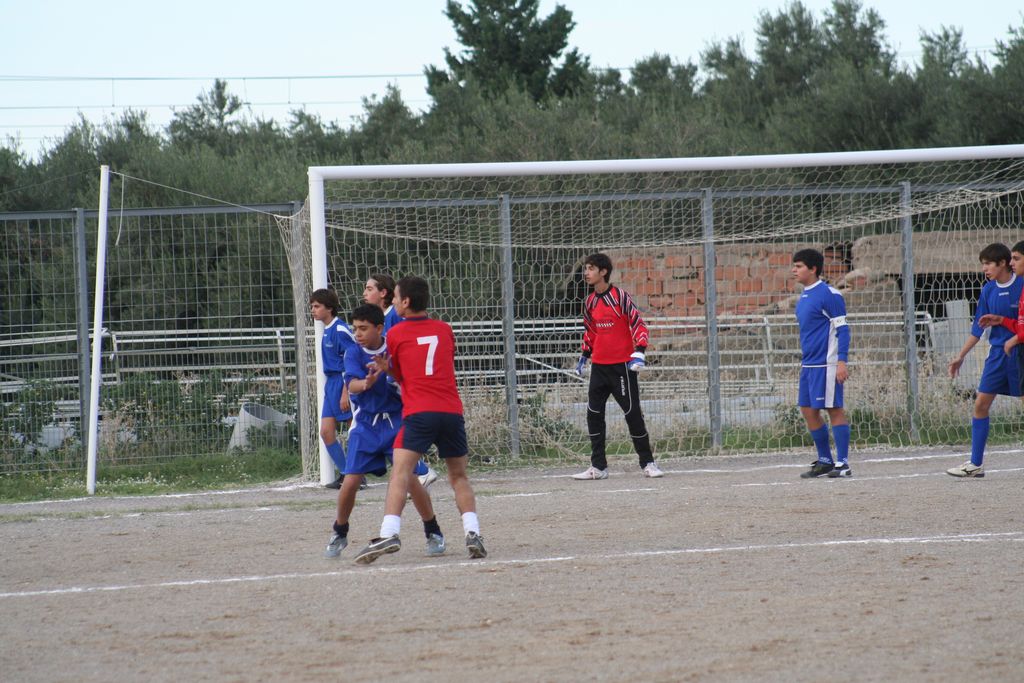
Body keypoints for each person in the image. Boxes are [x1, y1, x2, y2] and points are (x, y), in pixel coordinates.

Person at [353, 276, 487, 564]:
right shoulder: (444, 329)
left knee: (401, 472)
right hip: (450, 410)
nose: (393, 302)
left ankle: (389, 533)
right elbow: (430, 366)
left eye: (396, 297)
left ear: (406, 301)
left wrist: (386, 368)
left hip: (419, 412)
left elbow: (404, 375)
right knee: (458, 476)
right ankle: (473, 533)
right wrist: (393, 369)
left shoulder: (396, 333)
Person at [324, 304, 445, 559]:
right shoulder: (353, 353)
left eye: (363, 328)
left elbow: (408, 377)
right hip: (365, 424)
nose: (357, 333)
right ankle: (340, 530)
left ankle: (432, 530)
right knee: (351, 481)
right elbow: (352, 385)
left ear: (379, 328)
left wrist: (395, 377)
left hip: (397, 422)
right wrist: (365, 383)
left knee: (409, 478)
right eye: (355, 328)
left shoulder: (394, 347)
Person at [571, 253, 664, 480]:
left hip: (622, 367)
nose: (586, 273)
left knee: (632, 414)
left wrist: (639, 351)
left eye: (591, 268)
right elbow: (591, 331)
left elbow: (638, 323)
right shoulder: (589, 302)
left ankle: (648, 463)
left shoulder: (620, 297)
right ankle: (598, 467)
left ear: (603, 272)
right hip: (599, 367)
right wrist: (585, 355)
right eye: (585, 268)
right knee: (593, 414)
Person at [947, 242, 1023, 478]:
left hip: (1020, 353)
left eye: (988, 263)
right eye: (983, 264)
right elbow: (978, 328)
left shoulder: (1021, 284)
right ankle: (975, 464)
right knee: (980, 404)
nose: (984, 269)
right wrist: (960, 356)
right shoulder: (989, 290)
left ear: (1003, 263)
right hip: (998, 354)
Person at [362, 272, 439, 489]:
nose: (364, 293)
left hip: (400, 382)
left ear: (383, 293)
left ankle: (419, 470)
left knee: (397, 425)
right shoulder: (385, 318)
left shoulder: (395, 317)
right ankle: (414, 470)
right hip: (393, 379)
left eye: (369, 289)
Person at [791, 248, 853, 478]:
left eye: (799, 266)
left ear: (813, 269)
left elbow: (843, 330)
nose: (794, 270)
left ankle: (843, 463)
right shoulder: (804, 297)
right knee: (808, 410)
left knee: (834, 409)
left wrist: (841, 361)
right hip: (809, 365)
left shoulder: (830, 295)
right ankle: (825, 460)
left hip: (827, 364)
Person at [309, 288, 355, 489]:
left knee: (355, 430)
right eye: (312, 306)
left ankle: (357, 474)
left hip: (343, 383)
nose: (313, 310)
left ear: (329, 308)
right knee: (326, 432)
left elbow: (351, 362)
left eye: (317, 306)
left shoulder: (340, 330)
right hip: (331, 385)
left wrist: (346, 391)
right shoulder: (327, 329)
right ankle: (347, 473)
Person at [980, 240, 1024, 395]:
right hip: (1003, 353)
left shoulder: (1019, 286)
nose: (1012, 263)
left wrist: (1014, 339)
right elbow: (1020, 325)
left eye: (1016, 259)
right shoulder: (989, 290)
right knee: (981, 401)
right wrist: (1001, 320)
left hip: (1016, 350)